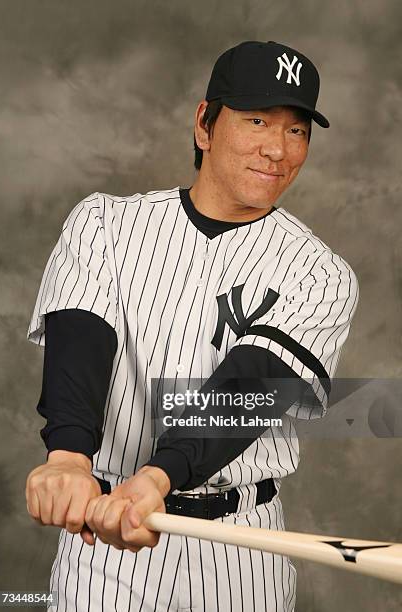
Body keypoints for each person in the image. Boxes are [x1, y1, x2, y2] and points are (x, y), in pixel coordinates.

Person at [25, 40, 359, 611]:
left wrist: (157, 477)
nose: (277, 149)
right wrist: (68, 459)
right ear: (205, 124)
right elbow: (79, 348)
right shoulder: (104, 223)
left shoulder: (322, 273)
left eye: (297, 130)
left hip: (241, 545)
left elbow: (249, 389)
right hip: (104, 543)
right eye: (257, 120)